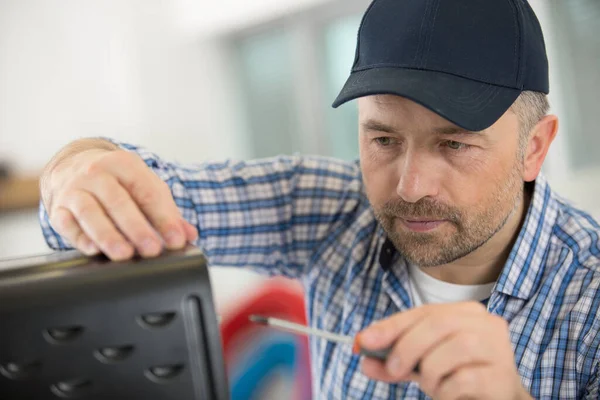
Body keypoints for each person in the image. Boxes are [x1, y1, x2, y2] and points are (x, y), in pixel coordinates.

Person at [37, 0, 600, 399]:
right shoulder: (332, 210)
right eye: (383, 139)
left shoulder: (591, 299)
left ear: (534, 147)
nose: (409, 186)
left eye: (453, 144)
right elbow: (145, 198)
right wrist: (79, 169)